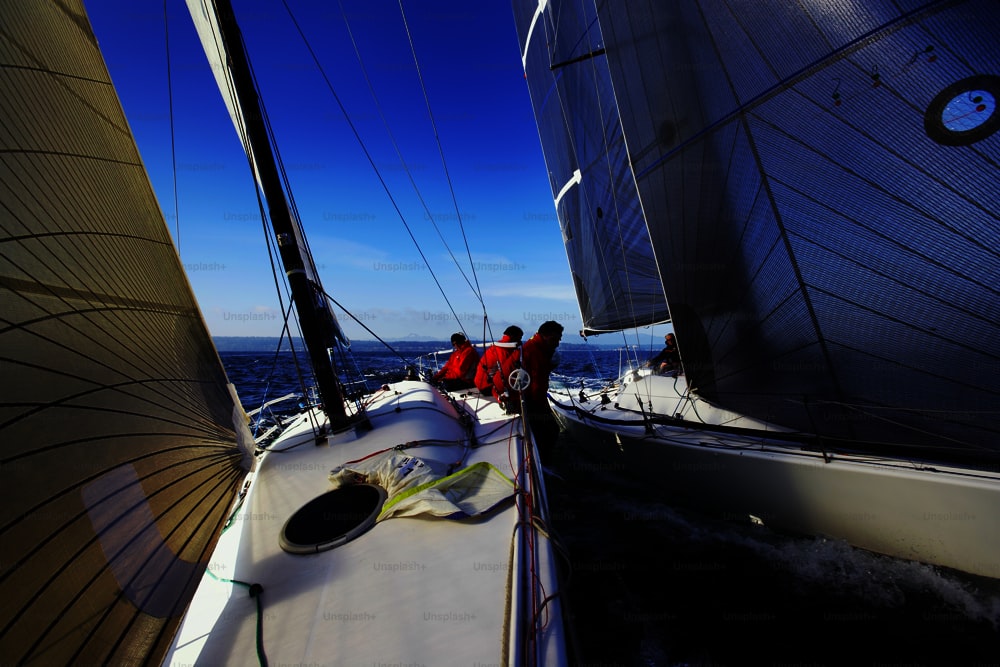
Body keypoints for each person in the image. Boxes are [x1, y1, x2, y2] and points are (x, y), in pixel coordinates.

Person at [519, 320, 563, 460]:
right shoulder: (535, 352)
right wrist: (542, 408)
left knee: (546, 431)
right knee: (551, 430)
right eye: (554, 339)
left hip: (531, 399)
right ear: (544, 336)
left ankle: (541, 459)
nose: (556, 343)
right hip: (531, 401)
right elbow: (537, 384)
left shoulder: (535, 348)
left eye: (559, 339)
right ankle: (543, 462)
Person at [475, 325, 523, 401]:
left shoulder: (499, 347)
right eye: (519, 338)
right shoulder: (503, 351)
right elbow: (505, 374)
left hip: (481, 383)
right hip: (487, 386)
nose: (520, 341)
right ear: (513, 337)